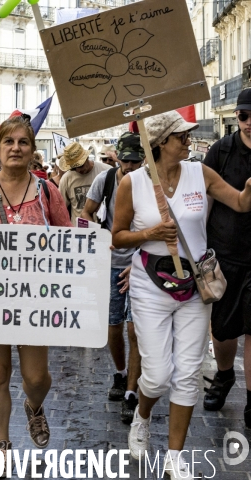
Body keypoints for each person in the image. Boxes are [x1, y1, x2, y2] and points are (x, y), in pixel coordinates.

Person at [112, 110, 251, 479]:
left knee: (187, 373)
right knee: (157, 375)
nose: (188, 140)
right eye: (181, 136)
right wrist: (152, 234)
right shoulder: (133, 183)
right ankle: (142, 416)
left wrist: (249, 190)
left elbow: (239, 202)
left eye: (188, 135)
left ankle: (175, 457)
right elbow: (118, 237)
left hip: (194, 284)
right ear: (160, 143)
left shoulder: (199, 172)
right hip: (149, 284)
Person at [0, 115, 72, 476]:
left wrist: (95, 249)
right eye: (9, 142)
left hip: (35, 301)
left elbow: (67, 238)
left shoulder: (48, 190)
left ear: (32, 150)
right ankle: (1, 448)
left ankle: (34, 406)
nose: (16, 148)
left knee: (36, 378)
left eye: (23, 142)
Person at [82, 132, 144, 424]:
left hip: (143, 265)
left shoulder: (148, 184)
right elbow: (86, 213)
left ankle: (132, 392)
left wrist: (142, 260)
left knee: (136, 329)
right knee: (114, 325)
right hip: (110, 264)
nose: (131, 166)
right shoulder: (104, 181)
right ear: (118, 157)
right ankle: (120, 375)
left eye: (137, 161)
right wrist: (95, 236)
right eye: (127, 160)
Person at [203, 88, 251, 427]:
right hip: (226, 254)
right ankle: (224, 375)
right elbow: (204, 199)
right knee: (222, 331)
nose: (249, 123)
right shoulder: (221, 150)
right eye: (243, 116)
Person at [59, 142, 111, 225]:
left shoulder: (106, 171)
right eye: (74, 168)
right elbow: (61, 210)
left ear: (87, 158)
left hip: (104, 229)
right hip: (79, 232)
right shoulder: (66, 179)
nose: (78, 170)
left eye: (80, 166)